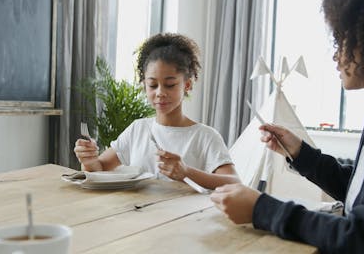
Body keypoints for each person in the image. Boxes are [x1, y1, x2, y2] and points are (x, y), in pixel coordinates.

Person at [210, 0, 364, 252]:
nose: (335, 56)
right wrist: (300, 153)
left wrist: (262, 209)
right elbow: (361, 191)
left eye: (341, 41)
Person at [74, 33, 240, 189]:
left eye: (170, 85)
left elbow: (235, 184)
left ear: (187, 85)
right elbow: (100, 168)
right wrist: (89, 160)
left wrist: (186, 172)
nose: (160, 92)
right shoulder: (137, 129)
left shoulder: (205, 136)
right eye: (153, 85)